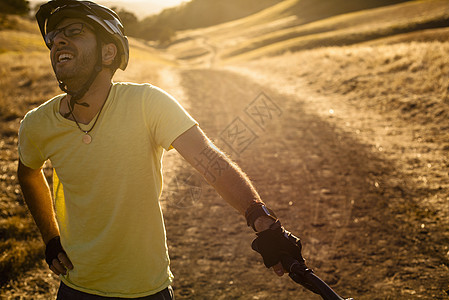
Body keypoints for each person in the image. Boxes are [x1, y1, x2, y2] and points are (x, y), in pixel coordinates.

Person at [17, 1, 304, 299]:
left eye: (74, 31)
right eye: (54, 37)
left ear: (108, 52)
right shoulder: (37, 124)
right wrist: (50, 237)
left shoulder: (146, 103)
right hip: (75, 287)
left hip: (146, 288)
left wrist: (260, 218)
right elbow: (29, 174)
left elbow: (209, 161)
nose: (58, 41)